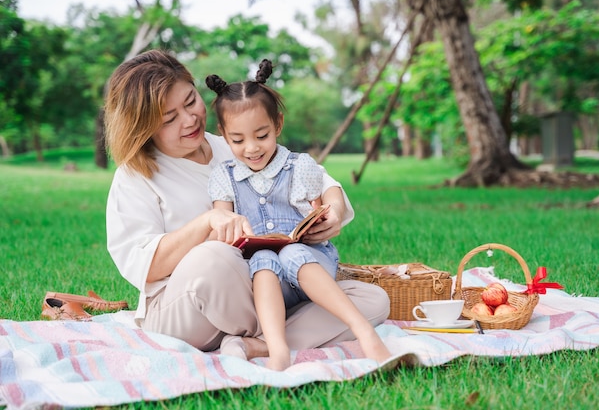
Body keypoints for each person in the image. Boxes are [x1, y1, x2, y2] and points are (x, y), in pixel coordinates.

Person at [103, 48, 391, 362]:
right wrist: (207, 222)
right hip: (183, 310)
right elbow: (145, 265)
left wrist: (332, 210)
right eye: (169, 118)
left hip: (261, 285)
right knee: (213, 257)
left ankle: (258, 343)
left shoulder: (234, 144)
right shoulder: (136, 175)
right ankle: (274, 333)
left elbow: (316, 178)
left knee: (372, 300)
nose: (189, 119)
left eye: (190, 102)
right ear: (143, 127)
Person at [205, 60, 392, 370]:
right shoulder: (223, 177)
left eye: (262, 136)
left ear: (278, 125)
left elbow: (323, 201)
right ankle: (277, 350)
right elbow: (220, 225)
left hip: (310, 266)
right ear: (224, 136)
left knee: (292, 252)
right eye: (238, 141)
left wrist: (327, 214)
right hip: (266, 283)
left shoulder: (299, 166)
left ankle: (364, 332)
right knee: (263, 258)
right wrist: (231, 232)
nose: (251, 148)